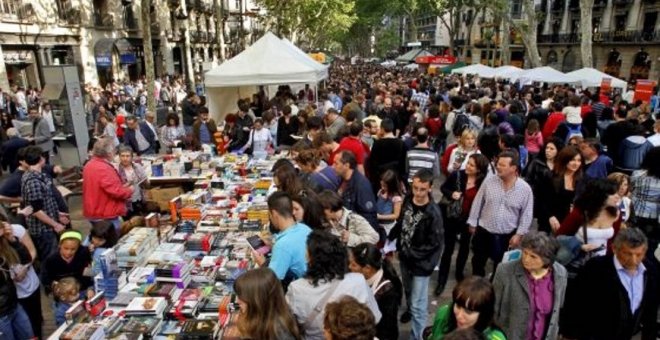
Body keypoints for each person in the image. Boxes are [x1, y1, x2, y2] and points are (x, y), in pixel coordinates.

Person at [285, 230, 381, 340]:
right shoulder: (358, 281)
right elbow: (374, 318)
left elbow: (289, 327)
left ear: (311, 259)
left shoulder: (296, 288)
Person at [572, 228, 658, 340]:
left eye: (639, 254)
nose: (633, 260)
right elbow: (576, 302)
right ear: (614, 249)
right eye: (628, 254)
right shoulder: (595, 268)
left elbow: (651, 311)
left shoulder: (650, 272)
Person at [388, 169, 444, 339]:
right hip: (405, 258)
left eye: (422, 189)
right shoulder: (408, 200)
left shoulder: (433, 213)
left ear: (430, 188)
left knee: (419, 305)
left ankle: (417, 336)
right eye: (415, 188)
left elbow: (435, 244)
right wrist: (393, 239)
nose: (418, 193)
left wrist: (411, 252)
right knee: (409, 290)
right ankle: (410, 312)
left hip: (421, 264)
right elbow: (402, 223)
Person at [467, 150, 534, 277]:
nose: (498, 166)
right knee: (477, 261)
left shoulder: (525, 189)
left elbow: (526, 214)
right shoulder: (489, 182)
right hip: (484, 230)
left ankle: (496, 288)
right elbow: (478, 202)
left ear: (513, 168)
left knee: (501, 265)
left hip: (506, 235)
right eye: (498, 163)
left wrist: (519, 234)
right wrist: (472, 222)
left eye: (502, 165)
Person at [492, 232, 567, 340]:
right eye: (525, 253)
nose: (526, 259)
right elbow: (493, 308)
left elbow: (558, 309)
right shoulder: (505, 271)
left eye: (533, 256)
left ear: (547, 260)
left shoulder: (560, 273)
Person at [436, 154, 490, 296]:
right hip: (452, 218)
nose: (468, 166)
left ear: (479, 169)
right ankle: (442, 279)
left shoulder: (482, 182)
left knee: (465, 248)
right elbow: (443, 188)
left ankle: (459, 273)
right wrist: (451, 193)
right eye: (468, 163)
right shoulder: (457, 175)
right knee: (448, 248)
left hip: (469, 220)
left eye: (472, 165)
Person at [251, 192, 311, 283]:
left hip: (301, 286)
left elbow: (272, 281)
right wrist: (272, 245)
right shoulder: (304, 228)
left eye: (269, 214)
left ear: (274, 213)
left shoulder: (282, 245)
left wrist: (262, 263)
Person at [21, 146, 66, 262]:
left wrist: (58, 214)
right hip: (43, 230)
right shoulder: (33, 181)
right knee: (51, 259)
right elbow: (36, 210)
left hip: (48, 225)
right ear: (41, 159)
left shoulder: (39, 175)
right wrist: (55, 224)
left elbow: (46, 201)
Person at [349, 243, 402, 340]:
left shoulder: (388, 293)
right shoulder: (359, 278)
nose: (349, 267)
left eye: (353, 265)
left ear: (367, 268)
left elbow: (388, 331)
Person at [428, 277, 506, 340]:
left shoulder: (495, 338)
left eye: (468, 311)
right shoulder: (443, 314)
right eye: (458, 306)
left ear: (483, 313)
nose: (459, 316)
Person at [40, 230, 92, 325]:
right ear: (60, 245)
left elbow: (88, 272)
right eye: (66, 248)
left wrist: (89, 288)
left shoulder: (84, 252)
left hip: (81, 292)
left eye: (73, 249)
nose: (69, 252)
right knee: (64, 321)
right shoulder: (51, 259)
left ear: (78, 247)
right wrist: (53, 286)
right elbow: (45, 278)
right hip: (62, 298)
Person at [83, 137, 133, 235]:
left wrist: (121, 186)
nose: (115, 153)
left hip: (94, 210)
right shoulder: (103, 168)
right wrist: (129, 190)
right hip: (104, 213)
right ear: (109, 153)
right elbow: (115, 191)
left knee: (98, 238)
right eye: (114, 150)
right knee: (110, 240)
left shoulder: (90, 164)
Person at [234, 268, 302, 340]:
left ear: (258, 301)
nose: (238, 301)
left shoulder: (279, 333)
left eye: (242, 297)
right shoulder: (269, 320)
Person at [0, 218, 34, 340]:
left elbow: (26, 259)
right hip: (1, 315)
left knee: (29, 336)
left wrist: (12, 240)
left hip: (14, 305)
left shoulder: (4, 245)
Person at [537, 146, 583, 233]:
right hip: (550, 222)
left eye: (579, 160)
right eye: (572, 160)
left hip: (571, 223)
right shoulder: (550, 176)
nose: (576, 163)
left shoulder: (582, 180)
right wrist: (550, 216)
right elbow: (541, 200)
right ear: (564, 160)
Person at [523, 138, 563, 233]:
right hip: (539, 200)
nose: (547, 150)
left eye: (551, 149)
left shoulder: (561, 166)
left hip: (555, 203)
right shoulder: (536, 163)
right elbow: (528, 180)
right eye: (547, 148)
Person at [332, 150, 379, 231]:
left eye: (336, 163)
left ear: (346, 165)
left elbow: (369, 216)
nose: (333, 166)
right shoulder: (341, 180)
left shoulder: (361, 185)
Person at [629, 147, 660, 260]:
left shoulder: (637, 173)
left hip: (634, 211)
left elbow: (631, 189)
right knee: (650, 246)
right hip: (654, 216)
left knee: (632, 242)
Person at [366, 118, 407, 192]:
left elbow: (372, 163)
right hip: (396, 178)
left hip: (380, 179)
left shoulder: (377, 144)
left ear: (382, 129)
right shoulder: (401, 143)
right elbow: (403, 164)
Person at [116, 145, 148, 217]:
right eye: (122, 156)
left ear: (131, 157)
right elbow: (116, 189)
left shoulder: (137, 167)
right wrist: (128, 184)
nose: (125, 158)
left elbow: (147, 184)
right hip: (125, 203)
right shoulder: (116, 170)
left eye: (127, 156)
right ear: (119, 157)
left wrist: (144, 181)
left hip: (138, 199)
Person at [376, 170, 404, 236]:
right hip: (378, 224)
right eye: (381, 185)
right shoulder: (381, 192)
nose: (382, 188)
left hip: (388, 227)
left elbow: (396, 215)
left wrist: (380, 217)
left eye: (385, 186)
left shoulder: (396, 198)